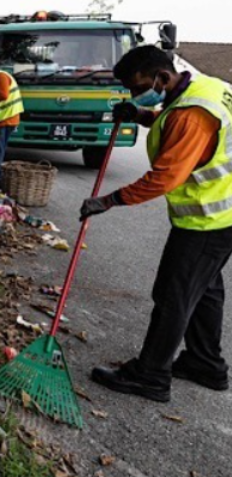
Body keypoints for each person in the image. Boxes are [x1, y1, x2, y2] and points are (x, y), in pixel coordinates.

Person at [81, 45, 232, 402]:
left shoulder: (193, 114)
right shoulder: (206, 88)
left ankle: (150, 375)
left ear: (162, 77)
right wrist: (140, 113)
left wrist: (108, 200)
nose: (136, 94)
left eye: (138, 88)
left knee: (173, 296)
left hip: (207, 221)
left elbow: (164, 178)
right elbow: (171, 120)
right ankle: (205, 364)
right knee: (206, 290)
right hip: (223, 217)